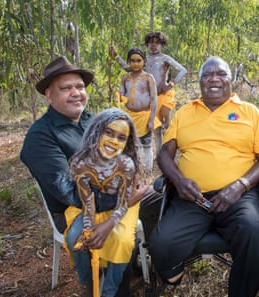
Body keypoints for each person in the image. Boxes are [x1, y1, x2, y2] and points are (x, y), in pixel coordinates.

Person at [20, 56, 161, 297]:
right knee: (114, 238)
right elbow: (70, 193)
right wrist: (126, 200)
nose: (76, 93)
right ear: (48, 94)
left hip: (116, 193)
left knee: (161, 201)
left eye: (80, 87)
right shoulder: (41, 137)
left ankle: (146, 258)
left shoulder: (92, 120)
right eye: (65, 88)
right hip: (77, 209)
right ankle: (100, 284)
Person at [149, 56, 259, 297]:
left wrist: (240, 185)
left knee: (251, 230)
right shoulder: (185, 113)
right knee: (161, 245)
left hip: (240, 197)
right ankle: (173, 275)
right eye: (207, 75)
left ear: (231, 80)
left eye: (221, 74)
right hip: (191, 197)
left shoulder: (250, 112)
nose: (214, 79)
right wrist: (178, 180)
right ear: (200, 82)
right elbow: (165, 154)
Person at [67, 108, 140, 297]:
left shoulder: (126, 165)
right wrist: (88, 228)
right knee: (76, 239)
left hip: (124, 205)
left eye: (121, 137)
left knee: (122, 242)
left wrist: (108, 225)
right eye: (109, 132)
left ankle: (109, 290)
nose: (114, 141)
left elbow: (125, 201)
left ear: (127, 142)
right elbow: (88, 200)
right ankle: (89, 284)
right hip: (93, 206)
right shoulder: (80, 164)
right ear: (96, 131)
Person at [109, 31, 187, 155]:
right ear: (147, 44)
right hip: (151, 98)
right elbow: (128, 68)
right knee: (155, 127)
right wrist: (116, 56)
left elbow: (183, 70)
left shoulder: (165, 58)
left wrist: (171, 84)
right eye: (151, 43)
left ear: (162, 45)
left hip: (164, 95)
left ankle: (174, 149)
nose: (154, 45)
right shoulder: (144, 60)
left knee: (166, 123)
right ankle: (160, 154)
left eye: (157, 43)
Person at [118, 48, 161, 172]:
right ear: (128, 62)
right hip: (129, 115)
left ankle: (147, 170)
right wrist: (118, 96)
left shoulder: (148, 78)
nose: (135, 64)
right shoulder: (125, 78)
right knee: (130, 143)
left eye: (138, 61)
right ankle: (132, 169)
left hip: (144, 116)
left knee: (146, 144)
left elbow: (154, 98)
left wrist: (152, 119)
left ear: (144, 61)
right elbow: (122, 94)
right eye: (132, 61)